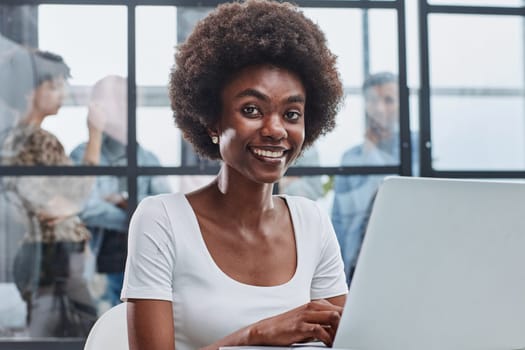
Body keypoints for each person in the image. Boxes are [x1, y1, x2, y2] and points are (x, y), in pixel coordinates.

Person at [121, 0, 348, 349]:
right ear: (212, 119)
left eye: (291, 113)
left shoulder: (312, 221)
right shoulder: (162, 220)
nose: (275, 130)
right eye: (252, 109)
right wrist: (254, 335)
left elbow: (349, 340)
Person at [0, 49, 97, 337]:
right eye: (53, 86)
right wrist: (95, 136)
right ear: (30, 92)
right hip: (56, 252)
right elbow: (74, 199)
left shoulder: (9, 139)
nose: (62, 93)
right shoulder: (40, 139)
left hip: (32, 252)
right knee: (88, 331)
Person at [70, 75, 171, 310]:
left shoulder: (147, 159)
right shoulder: (82, 155)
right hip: (96, 270)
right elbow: (85, 207)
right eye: (101, 102)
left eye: (118, 100)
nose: (107, 108)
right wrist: (134, 213)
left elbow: (163, 215)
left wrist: (123, 204)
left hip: (142, 270)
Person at [331, 72, 418, 285]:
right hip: (357, 261)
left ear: (402, 104)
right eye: (372, 100)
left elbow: (400, 197)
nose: (379, 108)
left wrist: (371, 153)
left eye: (388, 100)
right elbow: (339, 220)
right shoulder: (351, 158)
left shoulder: (416, 151)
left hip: (409, 255)